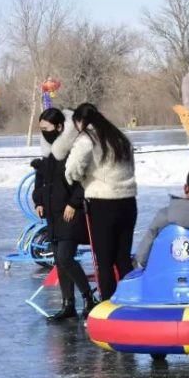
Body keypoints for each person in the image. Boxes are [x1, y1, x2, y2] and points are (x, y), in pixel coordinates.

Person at [64, 102, 138, 301]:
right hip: (128, 202)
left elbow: (72, 169)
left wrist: (80, 178)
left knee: (104, 261)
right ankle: (131, 300)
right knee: (123, 259)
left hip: (103, 203)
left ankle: (108, 305)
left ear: (80, 121)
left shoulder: (87, 138)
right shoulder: (120, 138)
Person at [33, 108, 98, 321]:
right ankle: (67, 303)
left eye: (47, 128)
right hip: (52, 213)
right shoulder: (47, 153)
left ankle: (88, 297)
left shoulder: (73, 149)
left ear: (60, 127)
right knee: (59, 261)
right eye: (41, 129)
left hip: (71, 212)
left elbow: (84, 180)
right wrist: (39, 201)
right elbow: (40, 181)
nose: (44, 133)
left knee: (65, 257)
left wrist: (73, 203)